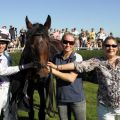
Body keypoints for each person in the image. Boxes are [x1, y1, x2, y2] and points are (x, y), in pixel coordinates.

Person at [48, 36, 120, 120]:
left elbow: (71, 76)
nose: (110, 48)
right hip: (105, 106)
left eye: (113, 46)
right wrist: (57, 67)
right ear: (103, 47)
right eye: (107, 45)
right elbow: (78, 65)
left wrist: (55, 69)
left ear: (117, 48)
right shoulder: (98, 61)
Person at [48, 33, 86, 120]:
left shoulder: (78, 57)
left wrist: (53, 70)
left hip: (76, 99)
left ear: (74, 44)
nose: (68, 44)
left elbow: (71, 78)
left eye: (71, 42)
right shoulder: (55, 57)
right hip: (61, 98)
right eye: (65, 42)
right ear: (61, 42)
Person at [0, 28, 34, 120]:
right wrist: (23, 67)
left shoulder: (7, 55)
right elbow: (2, 71)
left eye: (3, 43)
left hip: (7, 88)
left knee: (8, 114)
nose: (1, 46)